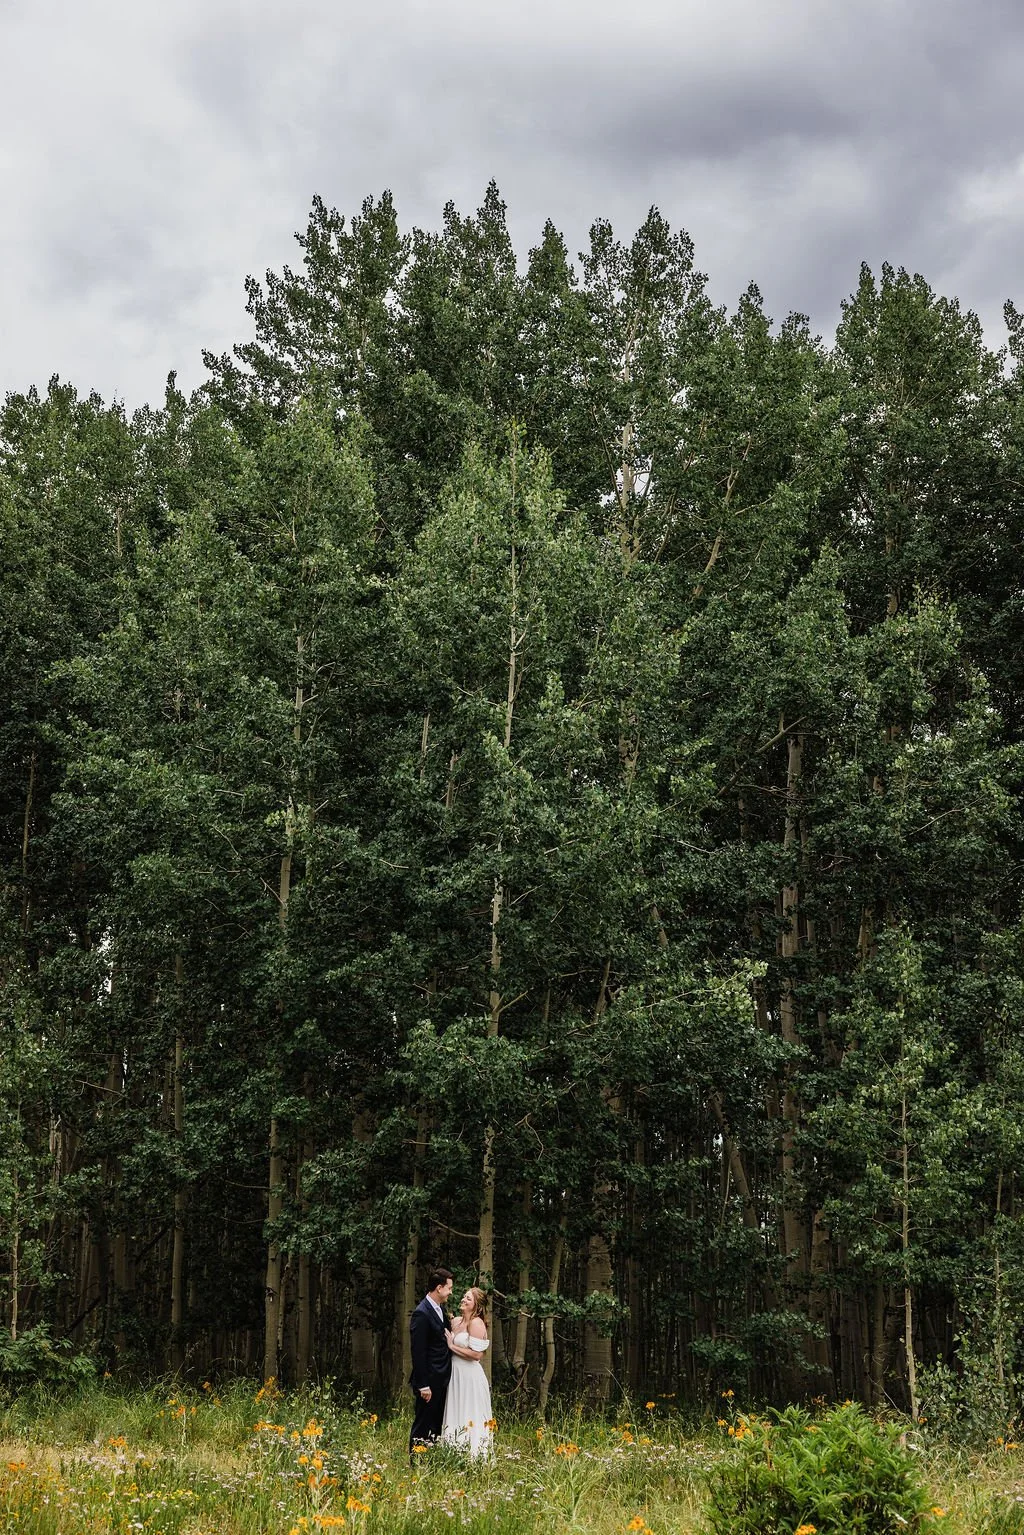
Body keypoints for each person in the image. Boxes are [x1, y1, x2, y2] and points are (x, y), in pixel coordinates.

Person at [441, 1285, 493, 1458]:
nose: (463, 1299)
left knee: (471, 1412)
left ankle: (474, 1457)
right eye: (464, 1296)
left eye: (468, 1298)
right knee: (456, 1409)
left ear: (477, 1305)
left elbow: (477, 1355)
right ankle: (453, 1454)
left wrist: (451, 1346)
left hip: (470, 1376)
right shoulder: (455, 1321)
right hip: (455, 1374)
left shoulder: (476, 1323)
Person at [408, 1266, 454, 1458]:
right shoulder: (422, 1313)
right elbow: (418, 1352)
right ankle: (416, 1462)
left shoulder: (440, 1309)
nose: (451, 1292)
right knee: (423, 1423)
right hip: (429, 1381)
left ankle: (431, 1459)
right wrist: (423, 1384)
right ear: (439, 1288)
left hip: (441, 1378)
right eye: (449, 1288)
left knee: (435, 1422)